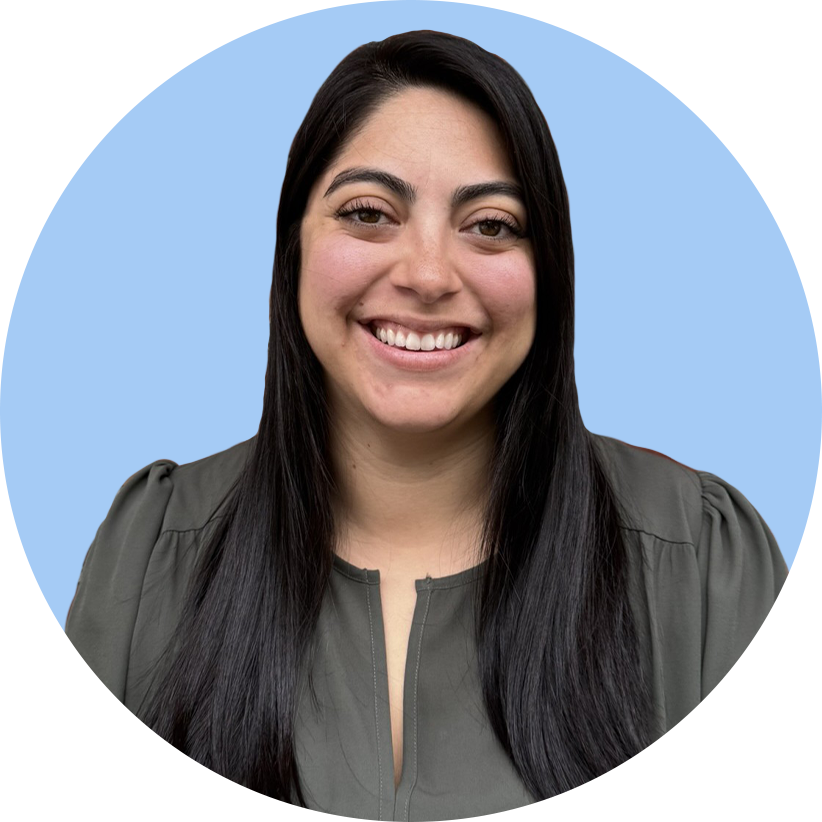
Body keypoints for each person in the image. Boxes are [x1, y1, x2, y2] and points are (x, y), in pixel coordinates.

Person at [65, 30, 789, 821]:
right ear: (292, 249)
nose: (428, 274)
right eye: (369, 213)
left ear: (550, 271)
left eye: (491, 225)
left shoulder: (704, 566)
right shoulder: (151, 561)